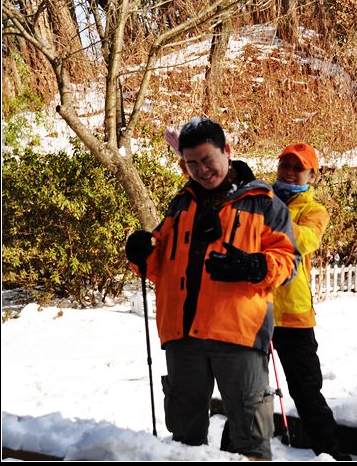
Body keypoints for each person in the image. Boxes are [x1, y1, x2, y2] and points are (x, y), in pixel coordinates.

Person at [126, 117, 299, 460]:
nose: (202, 170)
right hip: (183, 337)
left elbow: (289, 262)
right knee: (183, 441)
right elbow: (158, 266)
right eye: (192, 164)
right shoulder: (181, 203)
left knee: (249, 439)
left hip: (238, 335)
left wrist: (254, 265)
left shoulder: (262, 202)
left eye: (208, 160)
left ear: (227, 152)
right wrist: (141, 254)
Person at [270, 143, 351, 461]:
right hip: (254, 309)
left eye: (297, 167)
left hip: (293, 312)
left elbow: (302, 241)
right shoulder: (260, 200)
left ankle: (331, 454)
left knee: (306, 390)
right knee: (247, 390)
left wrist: (270, 216)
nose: (289, 172)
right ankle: (234, 452)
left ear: (312, 176)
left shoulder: (313, 211)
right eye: (284, 165)